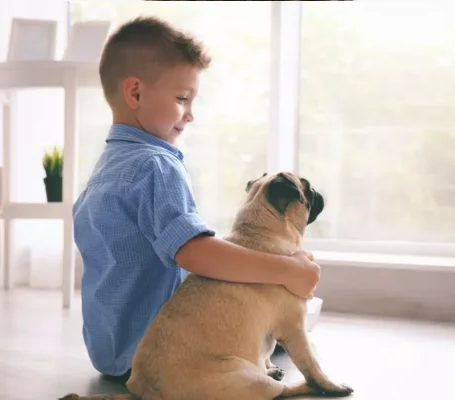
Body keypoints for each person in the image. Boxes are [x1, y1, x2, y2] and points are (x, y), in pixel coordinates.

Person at [72, 16, 321, 379]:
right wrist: (288, 270)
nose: (190, 114)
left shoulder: (108, 167)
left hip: (110, 351)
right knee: (286, 317)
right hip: (162, 354)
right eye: (182, 99)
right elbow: (197, 253)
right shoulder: (156, 166)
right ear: (135, 93)